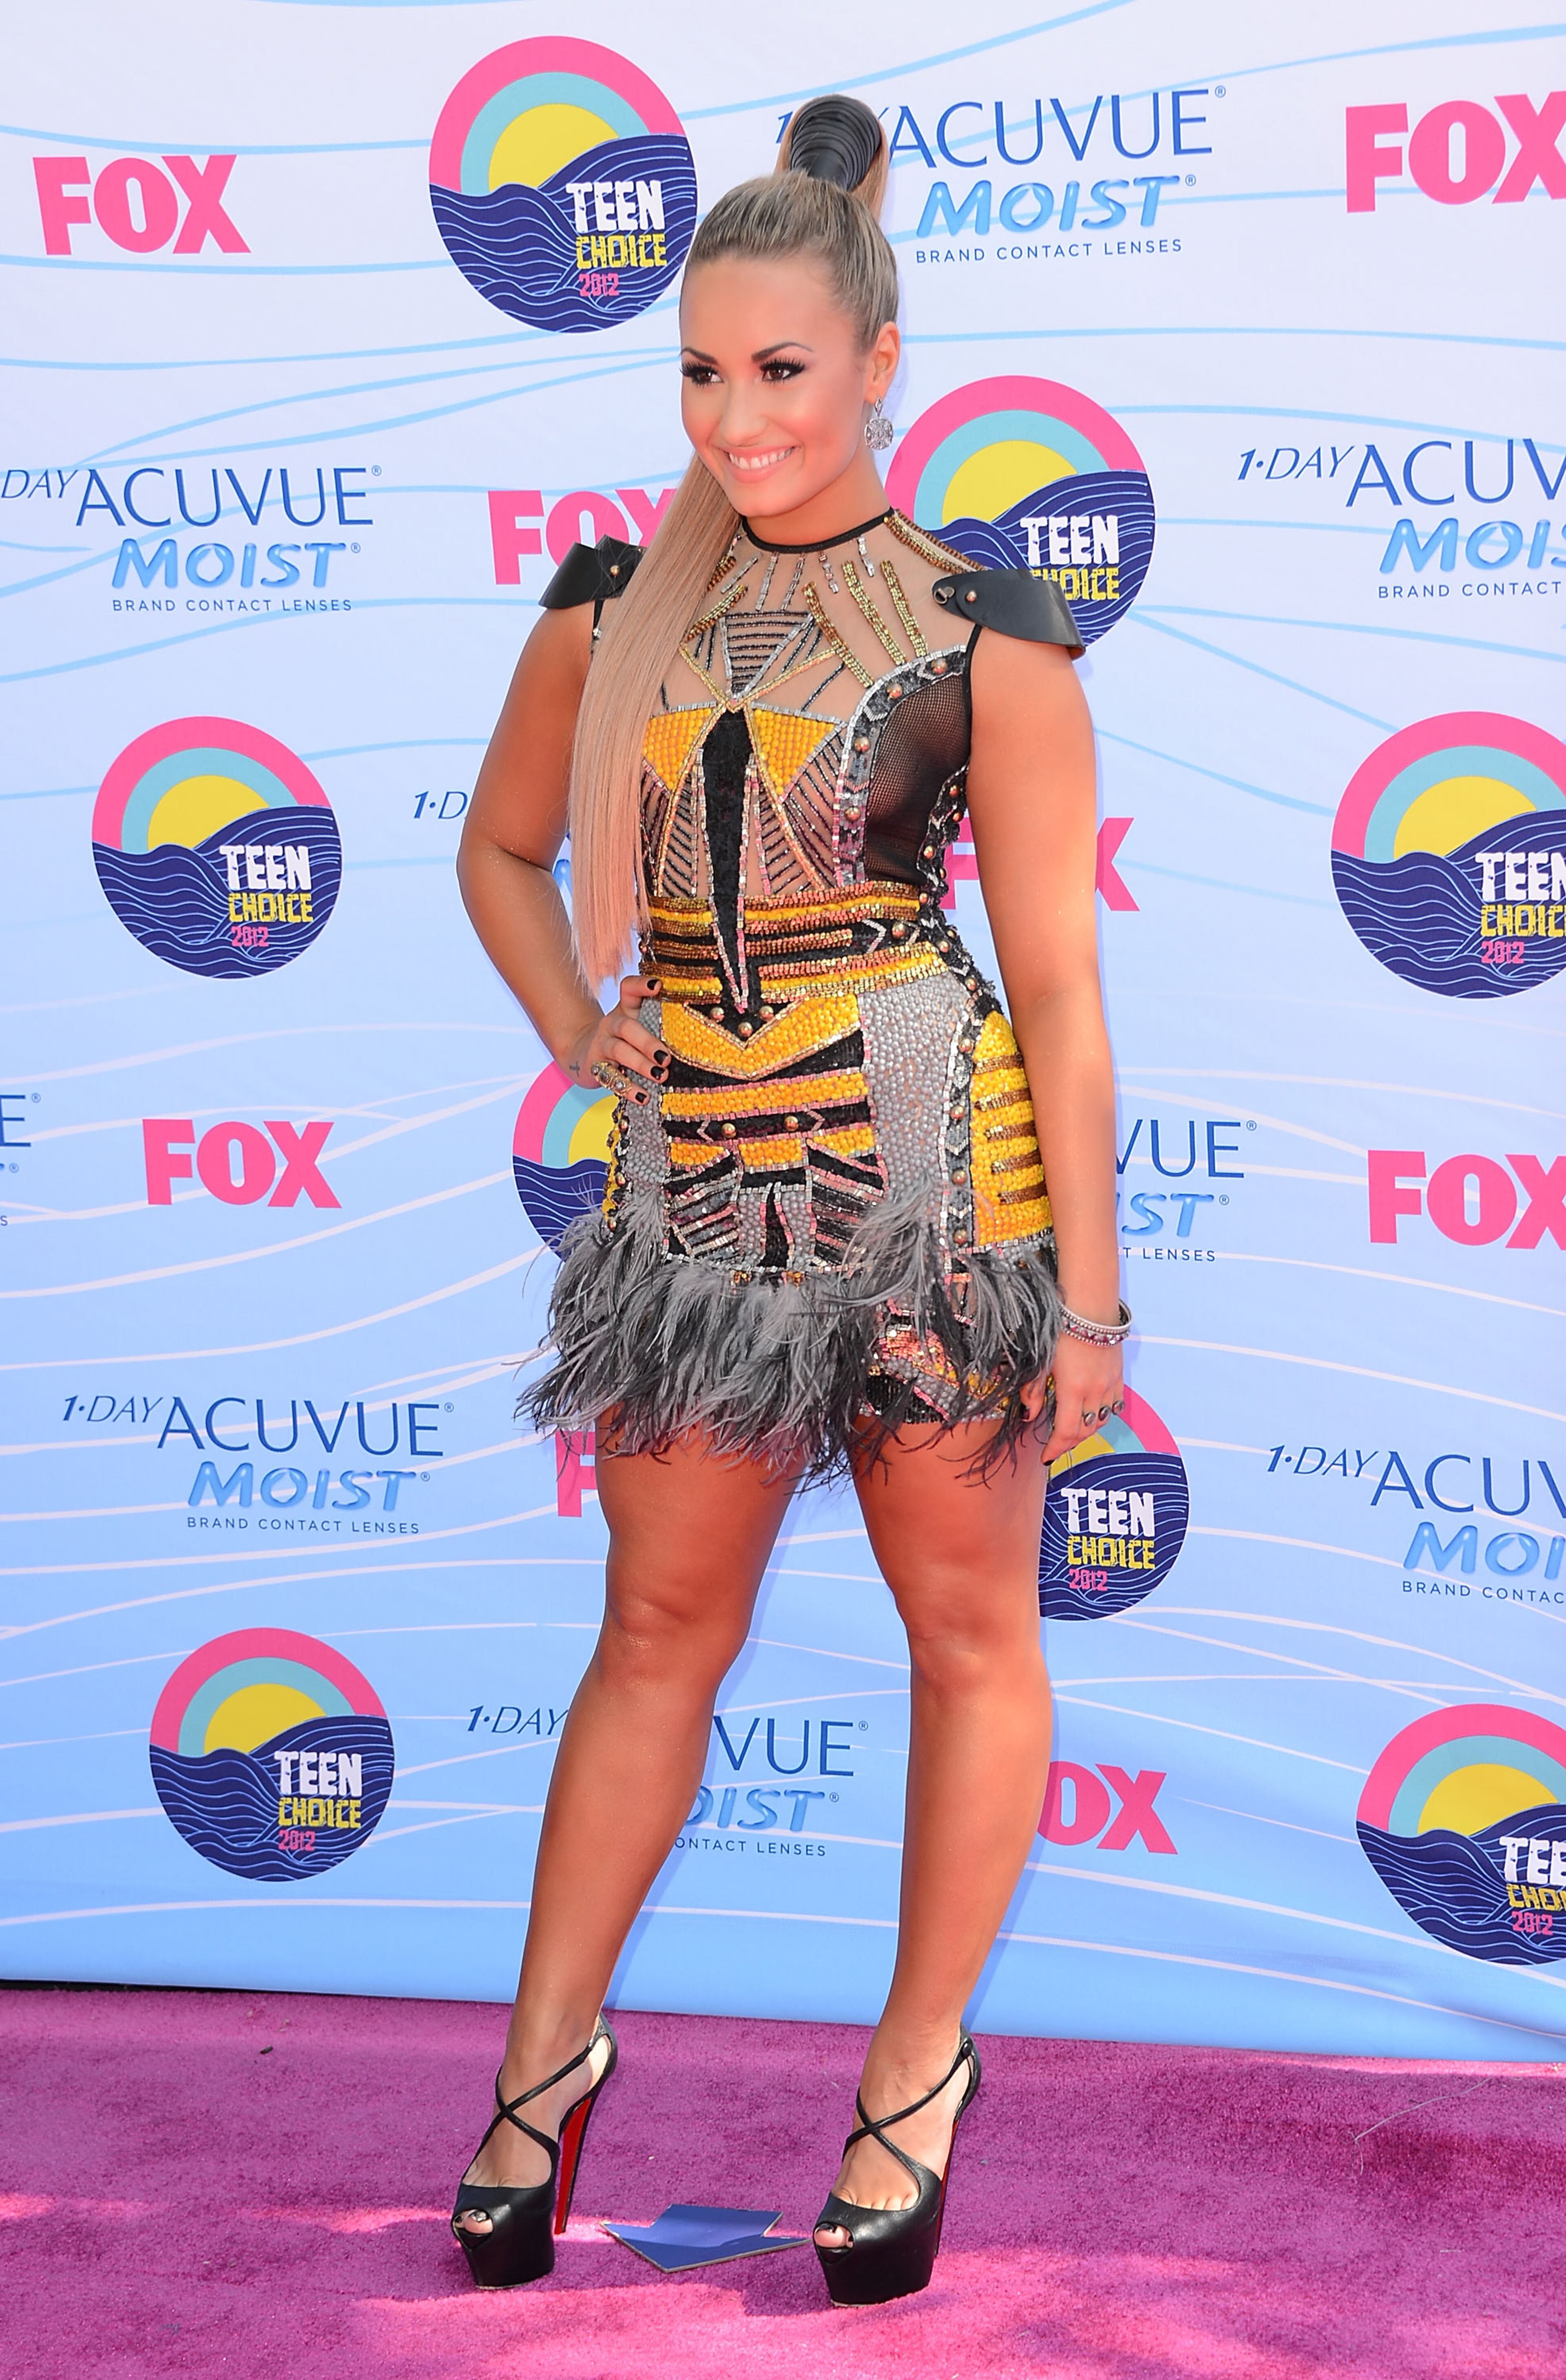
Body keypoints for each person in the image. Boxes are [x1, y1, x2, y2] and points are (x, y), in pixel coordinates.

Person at [451, 92, 1126, 2307]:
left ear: (876, 362)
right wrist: (576, 1022)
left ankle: (916, 2075)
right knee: (655, 1629)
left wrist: (1095, 1323)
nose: (737, 415)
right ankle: (544, 2067)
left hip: (942, 1198)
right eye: (699, 372)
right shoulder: (607, 608)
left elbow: (1054, 985)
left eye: (781, 369)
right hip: (692, 1207)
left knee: (966, 1637)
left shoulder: (986, 626)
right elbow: (504, 849)